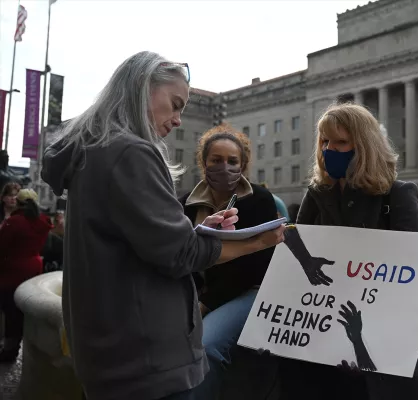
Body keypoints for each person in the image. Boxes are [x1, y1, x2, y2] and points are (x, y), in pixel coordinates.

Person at [41, 51, 285, 400]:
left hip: (108, 349)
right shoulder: (131, 153)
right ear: (142, 89)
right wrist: (256, 242)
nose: (178, 121)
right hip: (146, 357)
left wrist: (198, 233)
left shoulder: (92, 151)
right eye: (174, 104)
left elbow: (144, 242)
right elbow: (179, 253)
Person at [278, 103, 418, 400]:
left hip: (384, 332)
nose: (330, 149)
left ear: (364, 146)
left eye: (341, 142)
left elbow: (415, 275)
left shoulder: (397, 194)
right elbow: (297, 249)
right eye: (325, 142)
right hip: (321, 329)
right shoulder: (316, 195)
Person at [178, 124, 279, 398]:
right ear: (204, 162)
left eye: (232, 161)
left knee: (207, 345)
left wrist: (205, 305)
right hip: (196, 295)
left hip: (249, 293)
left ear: (243, 165)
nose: (225, 167)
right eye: (217, 160)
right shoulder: (185, 203)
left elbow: (259, 265)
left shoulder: (259, 199)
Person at [0, 189, 52, 362]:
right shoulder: (42, 222)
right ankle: (21, 347)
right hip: (33, 268)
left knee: (11, 310)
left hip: (11, 270)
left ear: (19, 203)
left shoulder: (14, 222)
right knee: (25, 311)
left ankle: (9, 349)